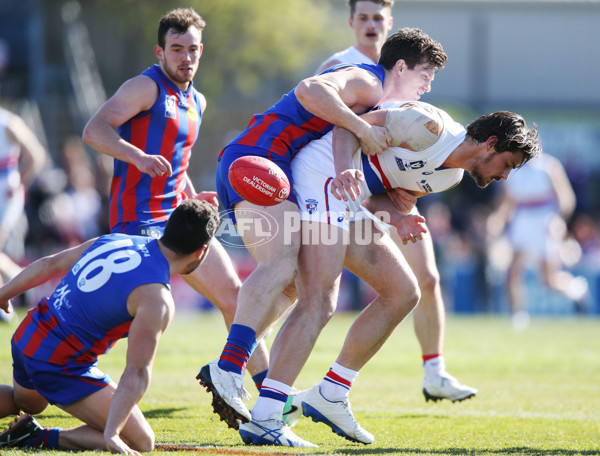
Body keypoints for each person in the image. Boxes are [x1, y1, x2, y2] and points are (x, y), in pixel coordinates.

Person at [196, 27, 447, 447]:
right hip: (260, 160)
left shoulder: (381, 103)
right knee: (286, 271)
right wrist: (361, 129)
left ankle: (254, 392)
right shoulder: (368, 79)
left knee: (294, 284)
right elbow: (311, 89)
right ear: (400, 66)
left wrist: (393, 208)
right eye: (425, 75)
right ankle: (229, 369)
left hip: (267, 167)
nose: (426, 87)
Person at [238, 100, 542, 446]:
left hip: (347, 202)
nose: (504, 176)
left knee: (403, 292)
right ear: (490, 143)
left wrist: (398, 218)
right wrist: (344, 171)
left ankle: (332, 392)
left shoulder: (450, 177)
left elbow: (381, 198)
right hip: (321, 175)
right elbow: (346, 127)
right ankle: (265, 414)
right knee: (319, 300)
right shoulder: (428, 126)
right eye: (507, 164)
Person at [81, 8, 271, 390]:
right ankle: (45, 374)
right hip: (136, 225)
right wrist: (137, 156)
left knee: (236, 297)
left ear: (202, 51)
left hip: (177, 220)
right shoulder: (145, 87)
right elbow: (94, 130)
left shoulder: (197, 102)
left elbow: (176, 164)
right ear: (160, 51)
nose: (186, 57)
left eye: (193, 49)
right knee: (115, 325)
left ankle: (271, 396)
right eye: (177, 48)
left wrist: (189, 197)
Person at [315, 0, 477, 405]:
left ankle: (435, 371)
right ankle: (261, 367)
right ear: (352, 22)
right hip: (346, 181)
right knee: (309, 290)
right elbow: (325, 118)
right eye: (364, 18)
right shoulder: (342, 64)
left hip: (390, 185)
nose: (371, 25)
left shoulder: (404, 72)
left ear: (390, 24)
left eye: (378, 18)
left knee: (426, 279)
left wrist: (412, 190)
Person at [0, 199, 219, 452]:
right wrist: (113, 433)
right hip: (56, 361)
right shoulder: (156, 298)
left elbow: (51, 264)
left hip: (29, 332)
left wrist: (4, 293)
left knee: (29, 403)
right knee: (142, 441)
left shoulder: (118, 239)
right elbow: (136, 372)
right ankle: (33, 437)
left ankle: (25, 425)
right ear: (201, 251)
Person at [487, 153, 588, 329]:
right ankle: (518, 315)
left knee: (548, 279)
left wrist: (559, 220)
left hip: (545, 222)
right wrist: (497, 220)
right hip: (521, 221)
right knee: (512, 272)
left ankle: (577, 290)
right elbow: (506, 202)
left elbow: (567, 199)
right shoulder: (511, 169)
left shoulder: (549, 166)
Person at [0, 104, 47, 322]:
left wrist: (20, 182)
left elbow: (36, 155)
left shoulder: (8, 121)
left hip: (5, 192)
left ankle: (22, 282)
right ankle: (19, 280)